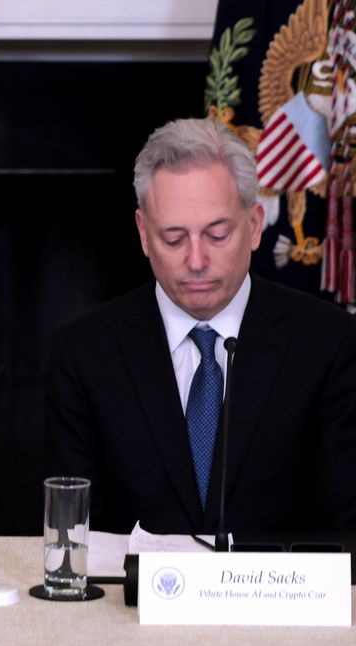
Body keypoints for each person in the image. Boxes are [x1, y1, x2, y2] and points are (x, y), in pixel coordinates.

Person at [46, 118, 356, 535]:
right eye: (173, 238)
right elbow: (71, 534)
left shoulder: (329, 344)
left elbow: (346, 531)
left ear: (254, 224)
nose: (195, 261)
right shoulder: (84, 353)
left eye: (217, 234)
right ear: (142, 233)